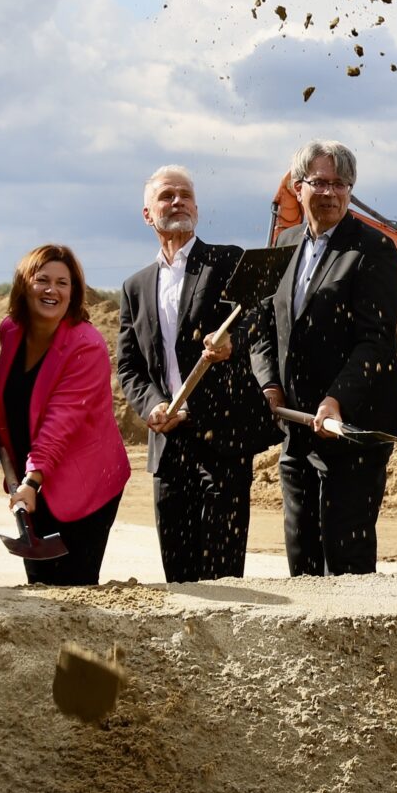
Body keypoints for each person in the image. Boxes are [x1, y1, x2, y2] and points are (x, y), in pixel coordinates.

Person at [251, 140, 397, 575]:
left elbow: (376, 341)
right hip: (297, 428)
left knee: (346, 561)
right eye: (320, 182)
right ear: (297, 186)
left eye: (340, 184)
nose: (330, 193)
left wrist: (336, 400)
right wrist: (269, 384)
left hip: (352, 428)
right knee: (302, 558)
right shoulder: (282, 245)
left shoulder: (373, 251)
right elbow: (263, 328)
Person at [114, 166, 277, 581]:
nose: (178, 202)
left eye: (185, 195)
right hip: (168, 443)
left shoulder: (226, 260)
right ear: (148, 214)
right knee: (179, 573)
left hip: (222, 441)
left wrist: (232, 342)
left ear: (197, 209)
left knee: (222, 573)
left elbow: (257, 316)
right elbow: (130, 366)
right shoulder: (135, 286)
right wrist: (152, 406)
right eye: (167, 196)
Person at [0, 245, 132, 586]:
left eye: (62, 283)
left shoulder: (86, 345)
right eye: (42, 280)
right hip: (35, 482)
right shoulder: (10, 331)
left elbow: (60, 422)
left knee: (73, 591)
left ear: (74, 292)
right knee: (38, 587)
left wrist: (30, 481)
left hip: (85, 483)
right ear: (24, 285)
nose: (51, 290)